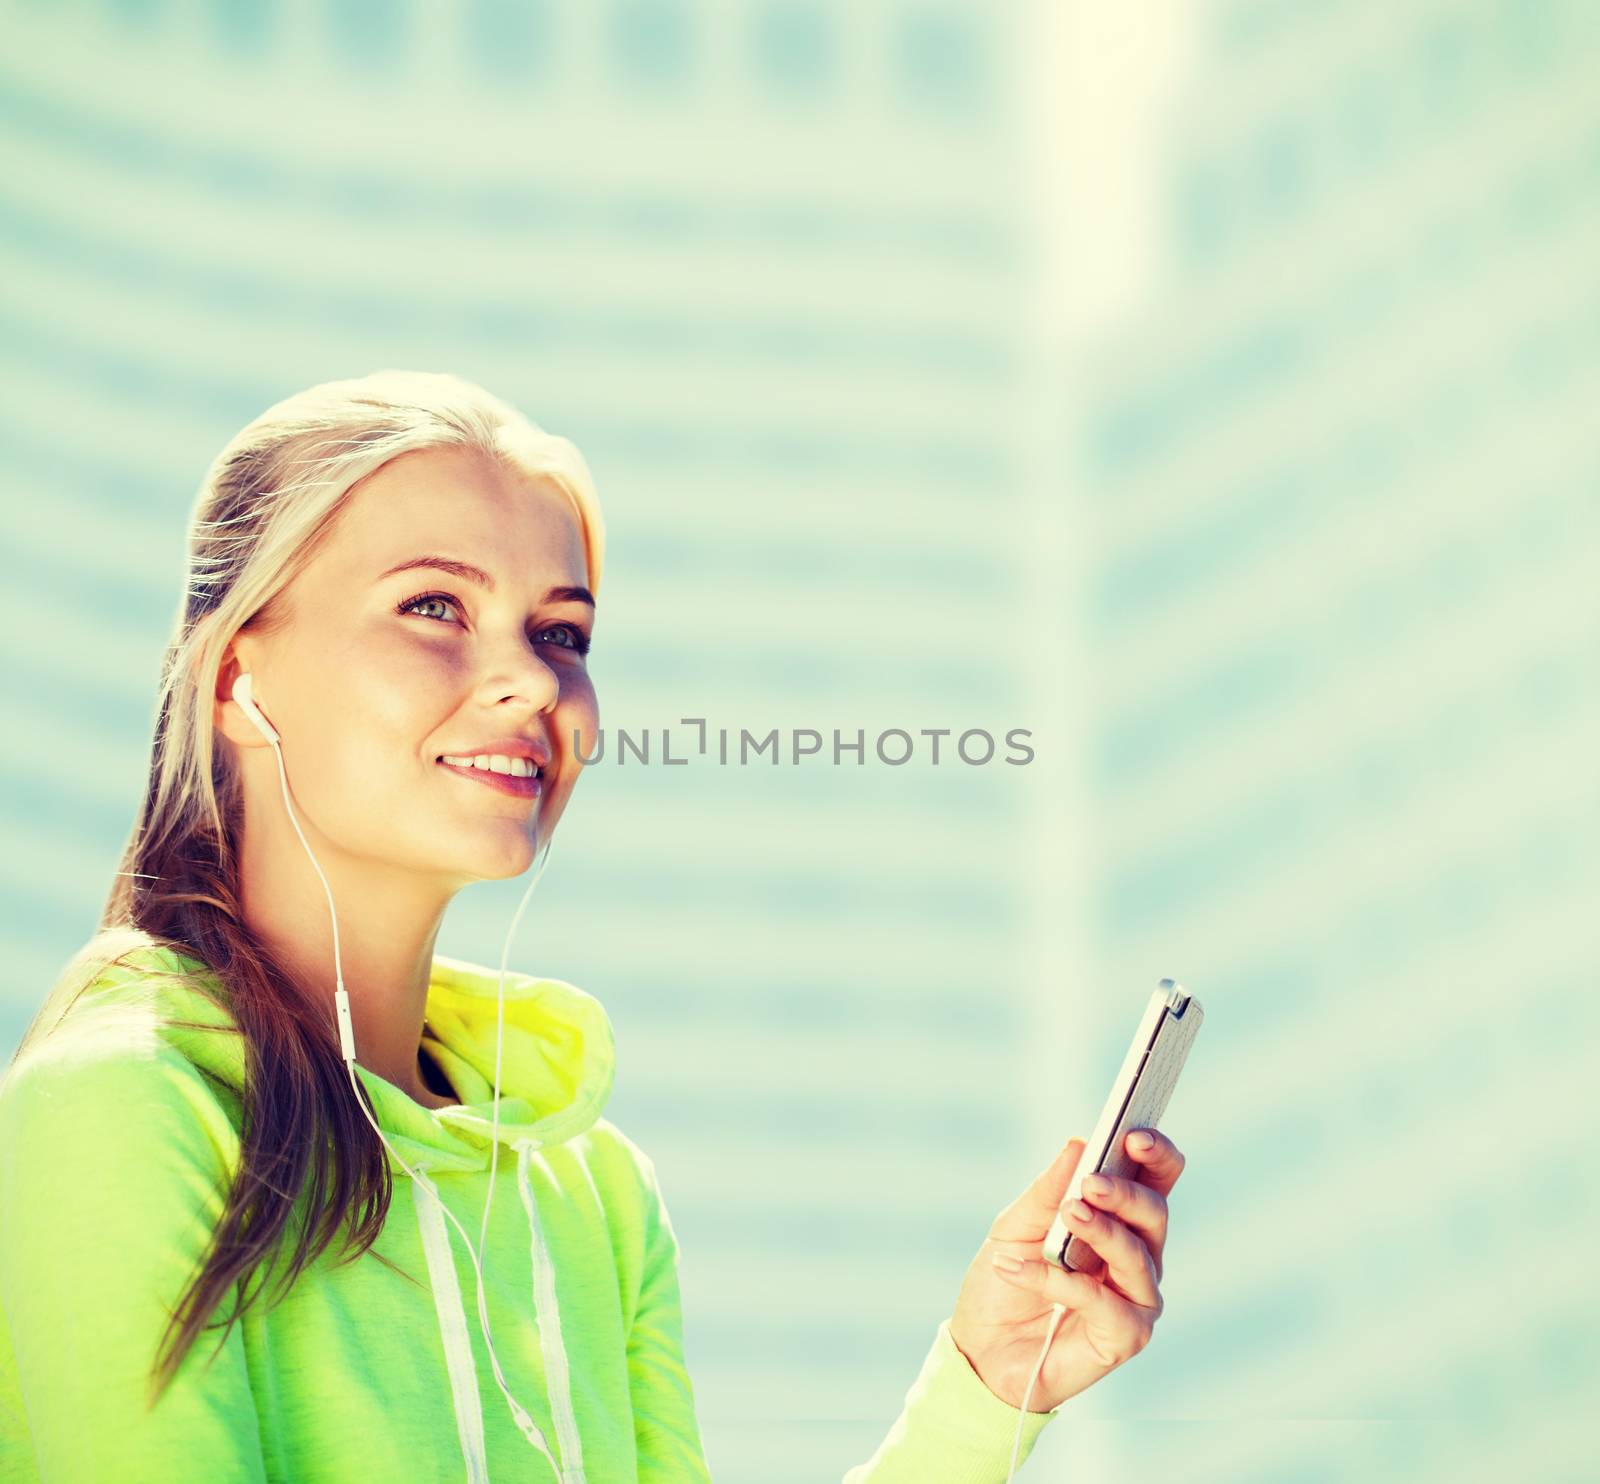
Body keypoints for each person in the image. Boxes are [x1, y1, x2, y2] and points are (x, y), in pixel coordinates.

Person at [0, 370, 1185, 1482]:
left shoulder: (592, 1190)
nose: (528, 679)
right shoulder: (125, 1101)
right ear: (234, 676)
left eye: (561, 631)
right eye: (432, 606)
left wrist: (988, 1381)